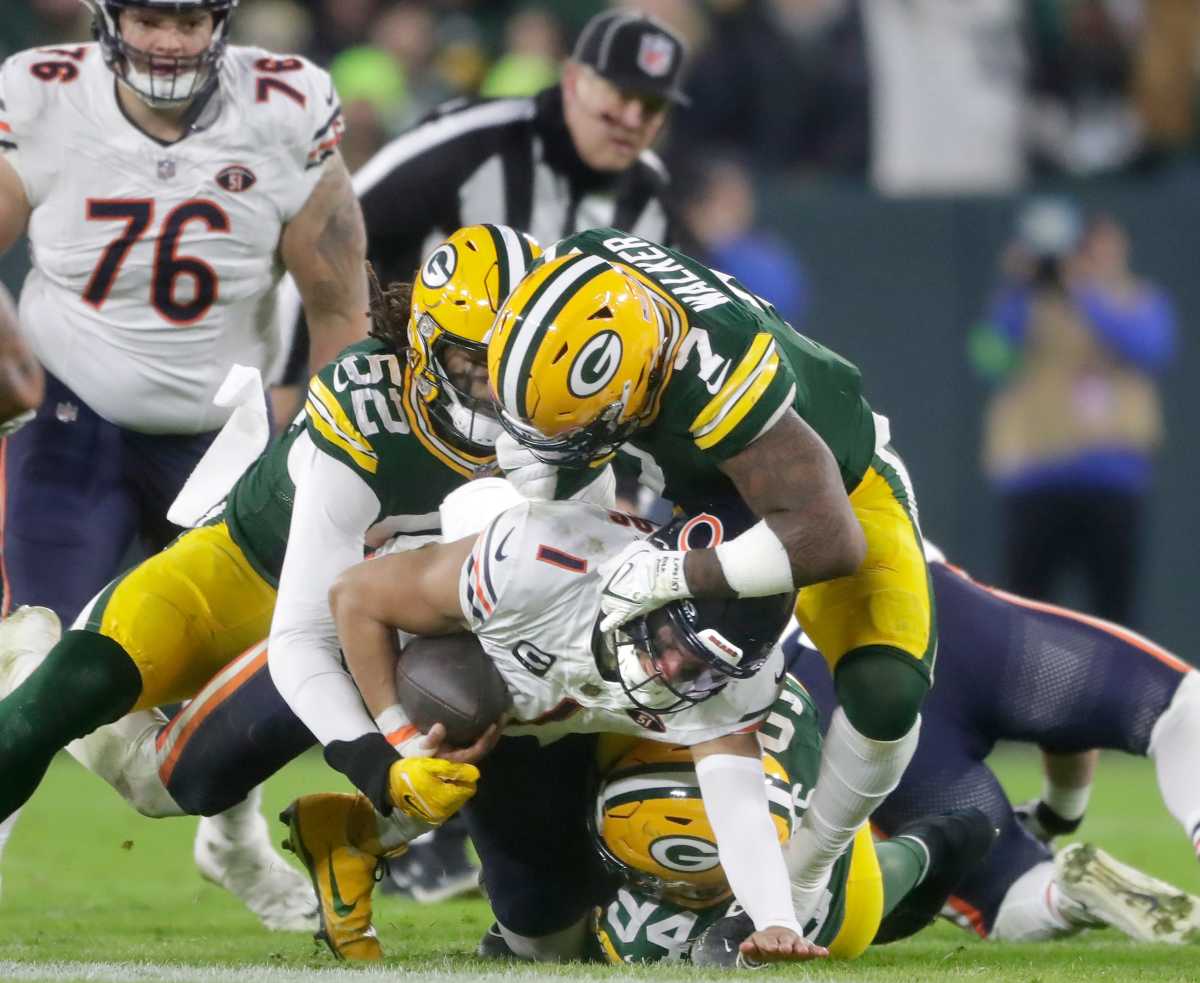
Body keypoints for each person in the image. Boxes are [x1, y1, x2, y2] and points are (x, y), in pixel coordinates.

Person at [0, 226, 536, 930]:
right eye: (477, 359)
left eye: (518, 357)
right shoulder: (372, 408)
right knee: (71, 708)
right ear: (428, 346)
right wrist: (381, 762)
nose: (502, 383)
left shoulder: (562, 405)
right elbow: (305, 634)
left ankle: (491, 892)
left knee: (474, 700)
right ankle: (39, 662)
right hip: (249, 574)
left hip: (382, 631)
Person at [277, 5, 693, 900]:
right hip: (421, 425)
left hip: (547, 447)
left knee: (561, 623)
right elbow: (335, 235)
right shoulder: (472, 143)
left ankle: (521, 824)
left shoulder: (649, 189)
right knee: (344, 629)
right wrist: (300, 374)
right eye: (621, 95)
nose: (634, 119)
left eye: (655, 108)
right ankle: (383, 804)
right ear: (574, 80)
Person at [487, 227, 934, 935]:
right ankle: (570, 870)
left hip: (834, 492)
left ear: (637, 378)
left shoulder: (719, 375)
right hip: (709, 491)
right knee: (583, 627)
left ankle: (809, 870)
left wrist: (672, 571)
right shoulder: (580, 282)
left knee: (887, 688)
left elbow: (827, 538)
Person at [298, 499, 829, 963]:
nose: (670, 671)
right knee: (219, 767)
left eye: (702, 668)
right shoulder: (541, 565)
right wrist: (399, 743)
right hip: (500, 714)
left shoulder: (736, 679)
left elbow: (738, 806)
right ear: (650, 588)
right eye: (672, 641)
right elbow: (354, 596)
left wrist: (775, 919)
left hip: (584, 724)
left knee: (674, 820)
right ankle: (351, 834)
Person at [0, 0, 369, 626]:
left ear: (219, 23)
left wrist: (328, 453)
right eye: (149, 20)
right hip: (71, 412)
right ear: (110, 19)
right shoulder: (46, 94)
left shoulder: (283, 108)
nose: (169, 40)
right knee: (42, 636)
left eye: (189, 21)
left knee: (227, 650)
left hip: (225, 433)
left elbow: (338, 306)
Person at [784, 542, 1200, 943]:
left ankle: (1066, 896)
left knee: (1011, 892)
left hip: (827, 674)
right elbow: (1065, 722)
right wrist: (1060, 812)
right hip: (931, 602)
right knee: (1180, 706)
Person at [588, 689, 993, 966]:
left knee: (888, 875)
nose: (688, 896)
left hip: (815, 875)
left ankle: (950, 837)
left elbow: (819, 824)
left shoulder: (780, 722)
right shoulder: (616, 714)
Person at [976, 199, 1176, 626]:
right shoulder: (1023, 304)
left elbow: (1149, 348)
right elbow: (989, 360)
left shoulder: (1135, 299)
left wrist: (1083, 290)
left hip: (1113, 480)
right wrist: (1017, 288)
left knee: (1116, 616)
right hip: (1035, 476)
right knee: (1025, 613)